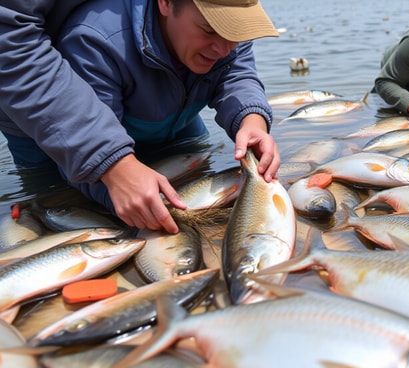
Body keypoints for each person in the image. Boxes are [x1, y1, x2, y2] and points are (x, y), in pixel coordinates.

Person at [0, 0, 280, 234]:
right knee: (51, 198)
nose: (223, 48)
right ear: (166, 3)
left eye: (235, 32)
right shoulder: (95, 41)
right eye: (209, 30)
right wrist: (113, 171)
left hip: (174, 116)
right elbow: (11, 46)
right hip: (48, 113)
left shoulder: (224, 36)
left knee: (191, 166)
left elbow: (236, 70)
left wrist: (251, 119)